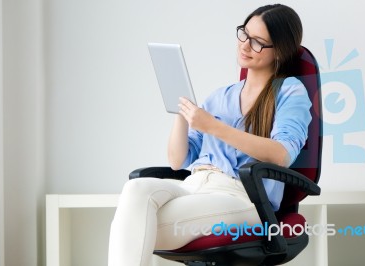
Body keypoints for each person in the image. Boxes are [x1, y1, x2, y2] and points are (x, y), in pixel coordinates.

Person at [108, 4, 312, 266]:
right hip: (194, 185)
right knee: (136, 189)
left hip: (242, 197)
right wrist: (181, 110)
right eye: (244, 34)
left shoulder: (290, 92)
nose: (245, 46)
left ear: (280, 51)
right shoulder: (220, 97)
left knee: (133, 228)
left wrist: (213, 127)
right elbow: (177, 161)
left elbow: (281, 154)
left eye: (258, 42)